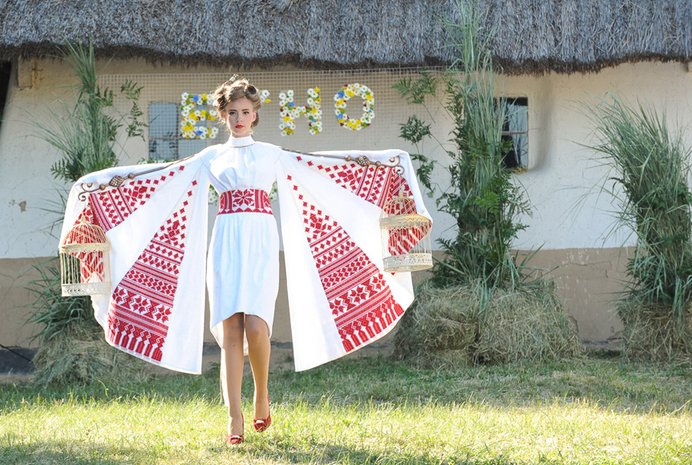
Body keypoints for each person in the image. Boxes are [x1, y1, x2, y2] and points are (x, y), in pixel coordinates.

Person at [59, 76, 432, 444]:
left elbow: (323, 166)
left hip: (260, 242)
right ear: (224, 116)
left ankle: (262, 394)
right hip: (225, 241)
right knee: (231, 331)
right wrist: (98, 186)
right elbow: (158, 176)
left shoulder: (273, 154)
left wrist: (388, 163)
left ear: (255, 115)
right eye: (232, 112)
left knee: (256, 325)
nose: (239, 118)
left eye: (245, 112)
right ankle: (233, 416)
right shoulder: (210, 158)